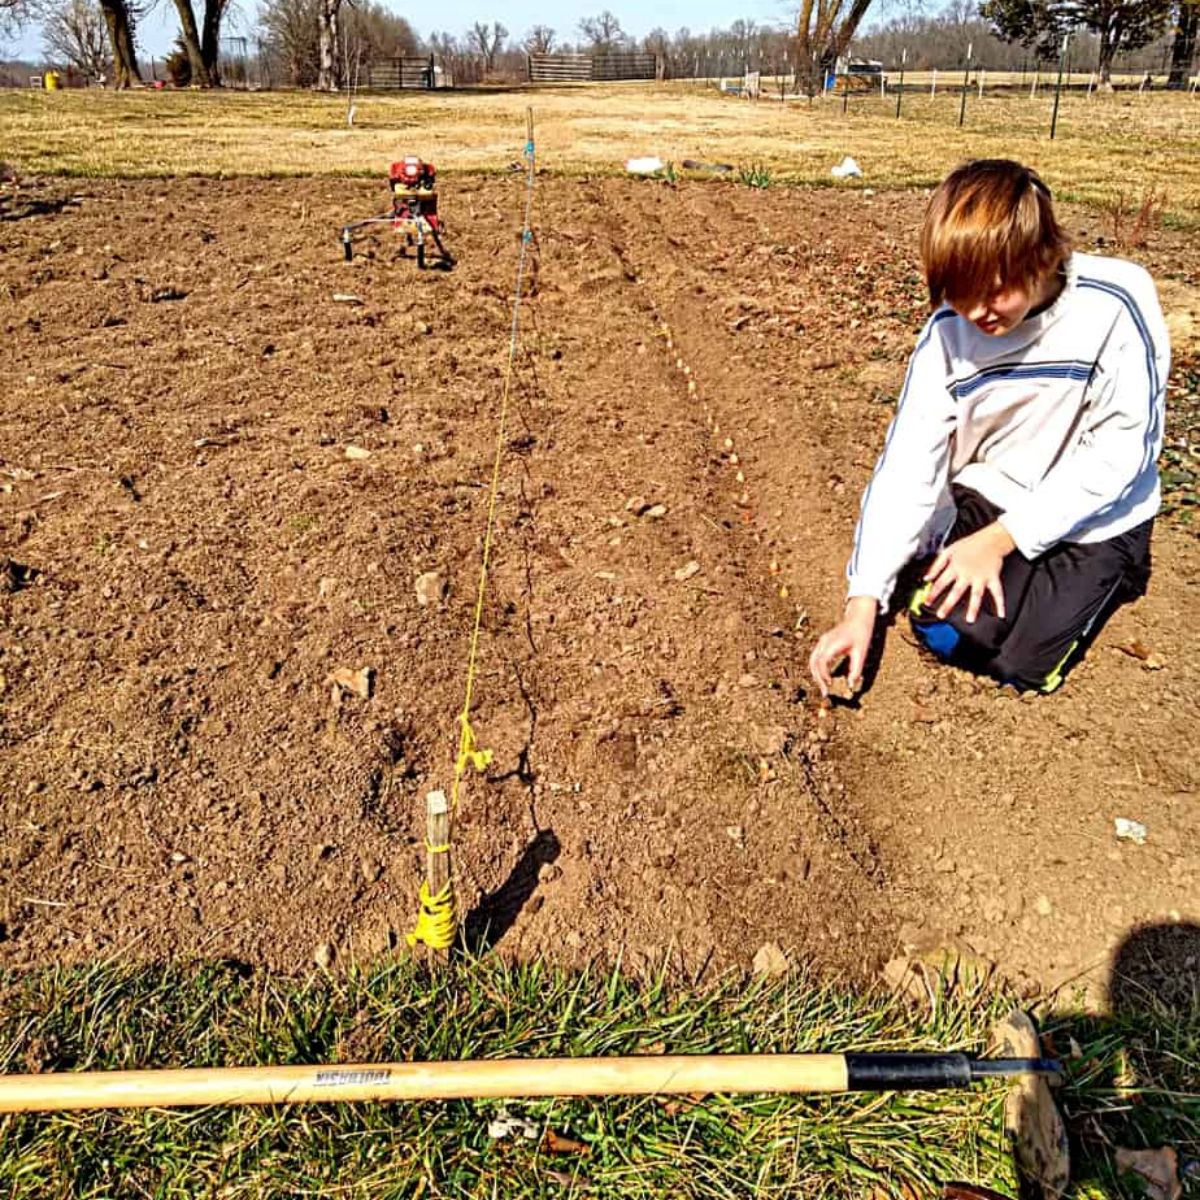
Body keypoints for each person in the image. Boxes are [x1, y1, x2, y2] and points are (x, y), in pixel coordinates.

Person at [809, 159, 1170, 697]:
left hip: (1098, 514)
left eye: (995, 290)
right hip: (1000, 487)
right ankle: (963, 558)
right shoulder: (949, 335)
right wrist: (862, 603)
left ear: (1042, 254)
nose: (977, 311)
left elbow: (1122, 450)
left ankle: (1116, 570)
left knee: (1022, 666)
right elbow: (909, 464)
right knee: (949, 632)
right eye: (960, 293)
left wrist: (1002, 542)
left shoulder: (1116, 303)